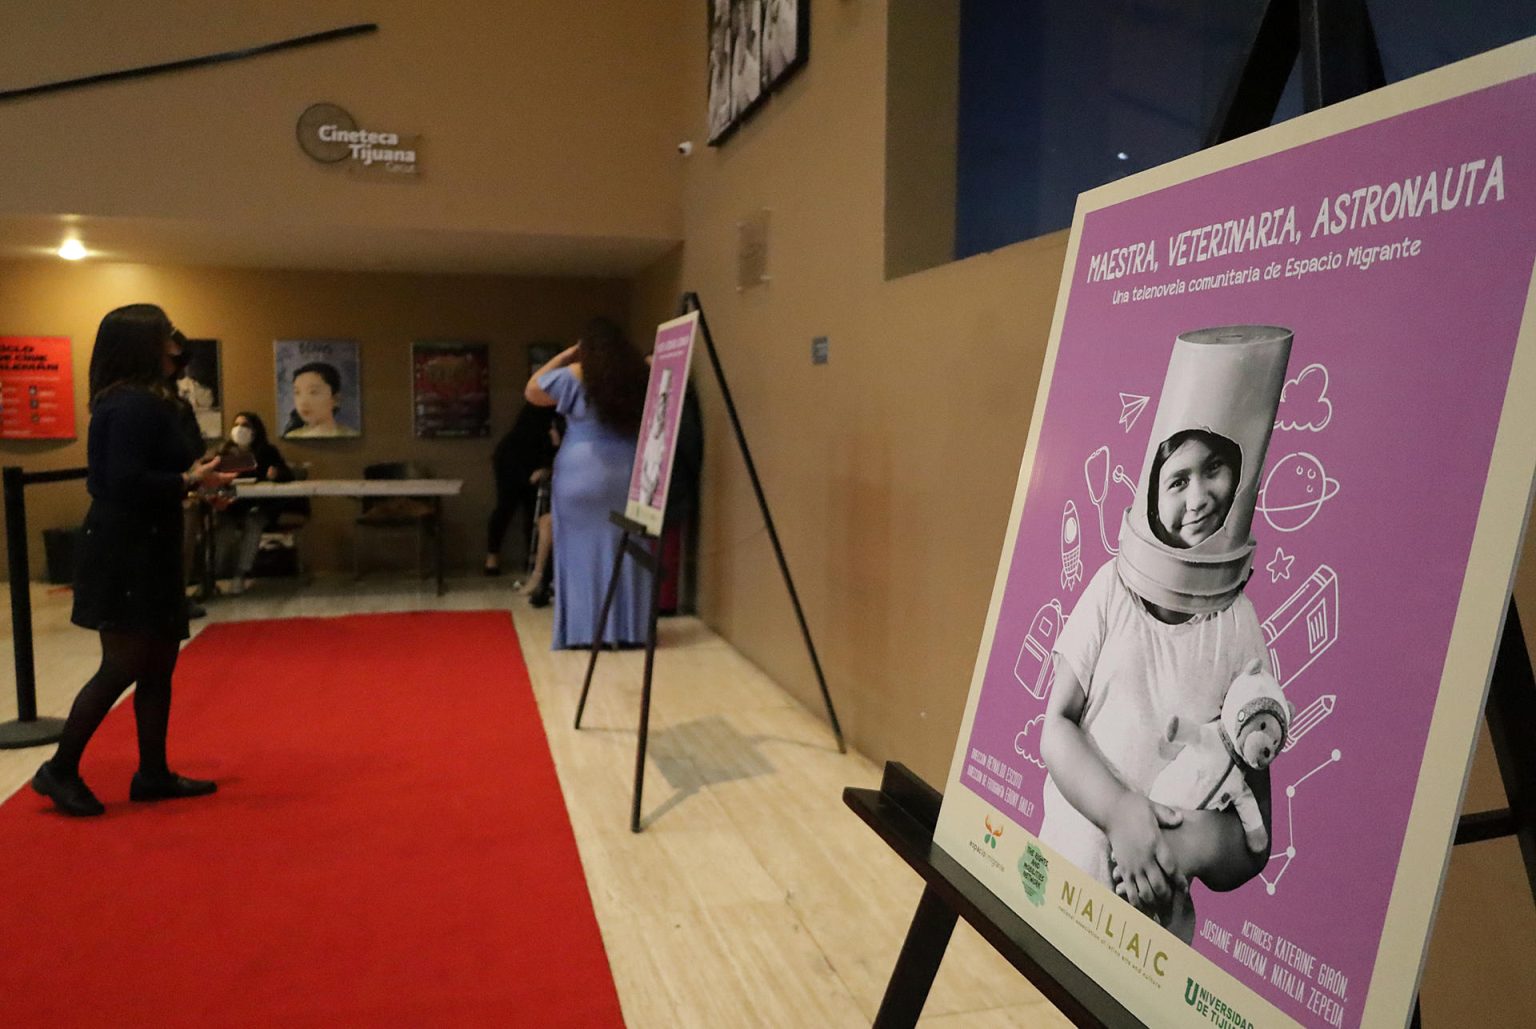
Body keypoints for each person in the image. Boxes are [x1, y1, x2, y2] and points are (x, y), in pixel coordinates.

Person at [1038, 325, 1292, 943]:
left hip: (1155, 939)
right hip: (1058, 897)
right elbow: (1056, 726)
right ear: (1152, 490)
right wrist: (1122, 812)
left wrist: (1180, 847)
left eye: (1216, 470)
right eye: (1178, 479)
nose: (1199, 496)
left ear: (1242, 478)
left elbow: (1252, 836)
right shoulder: (1109, 589)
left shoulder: (1240, 631)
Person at [32, 304, 234, 817]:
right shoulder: (126, 405)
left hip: (152, 540)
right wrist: (191, 483)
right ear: (143, 344)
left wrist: (200, 484)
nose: (175, 342)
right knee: (122, 665)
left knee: (160, 664)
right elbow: (118, 482)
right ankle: (59, 769)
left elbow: (168, 468)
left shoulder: (158, 400)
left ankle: (152, 772)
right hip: (125, 547)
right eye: (165, 334)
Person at [525, 317, 649, 649]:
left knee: (578, 551)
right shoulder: (638, 375)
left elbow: (533, 389)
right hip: (627, 472)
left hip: (581, 473)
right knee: (629, 546)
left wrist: (567, 355)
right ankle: (629, 629)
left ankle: (584, 630)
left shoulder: (575, 375)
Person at [215, 411, 297, 594]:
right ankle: (214, 575)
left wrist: (276, 474)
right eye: (236, 425)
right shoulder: (224, 452)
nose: (240, 429)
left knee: (253, 524)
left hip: (258, 506)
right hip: (231, 507)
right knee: (223, 531)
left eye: (245, 425)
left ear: (255, 430)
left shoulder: (267, 452)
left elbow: (287, 475)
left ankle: (240, 574)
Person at [484, 400, 557, 578]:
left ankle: (532, 558)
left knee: (534, 510)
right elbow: (549, 438)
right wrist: (546, 465)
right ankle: (492, 556)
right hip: (512, 457)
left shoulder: (558, 408)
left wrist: (546, 466)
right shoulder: (542, 403)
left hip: (536, 459)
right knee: (506, 506)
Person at [283, 361, 355, 437]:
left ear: (335, 398)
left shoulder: (350, 435)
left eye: (313, 392)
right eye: (297, 393)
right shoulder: (291, 436)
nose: (303, 402)